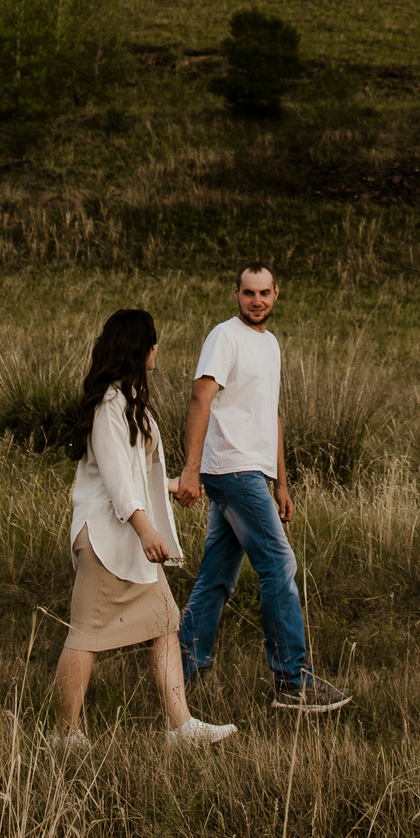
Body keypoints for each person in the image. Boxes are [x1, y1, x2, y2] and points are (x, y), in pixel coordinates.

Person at [171, 263, 354, 713]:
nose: (257, 301)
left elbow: (271, 416)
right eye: (249, 293)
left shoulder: (270, 344)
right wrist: (191, 469)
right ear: (236, 293)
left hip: (252, 472)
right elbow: (200, 395)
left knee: (216, 575)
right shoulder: (224, 336)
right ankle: (292, 681)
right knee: (278, 564)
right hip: (230, 469)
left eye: (265, 293)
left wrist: (282, 483)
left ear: (277, 294)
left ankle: (180, 670)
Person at [56, 308, 237, 748]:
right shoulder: (109, 407)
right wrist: (146, 530)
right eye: (154, 342)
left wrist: (171, 485)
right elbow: (117, 482)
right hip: (106, 538)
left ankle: (182, 727)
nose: (158, 349)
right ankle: (65, 735)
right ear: (141, 348)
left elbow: (135, 471)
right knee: (87, 634)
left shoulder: (130, 399)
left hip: (131, 536)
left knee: (164, 622)